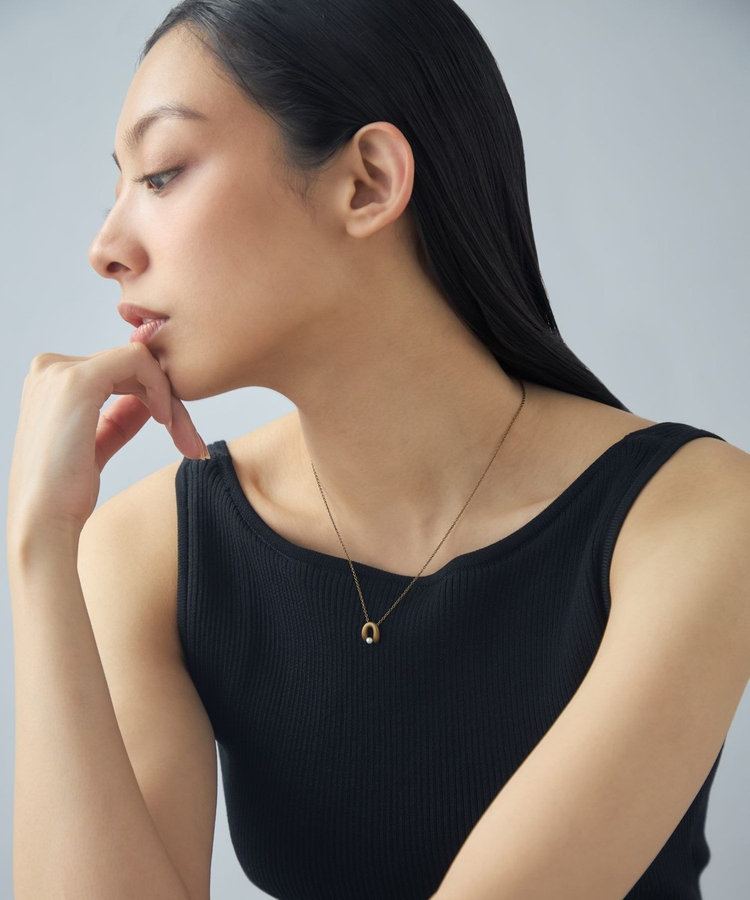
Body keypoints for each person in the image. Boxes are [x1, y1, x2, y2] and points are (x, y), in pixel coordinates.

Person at [7, 2, 749, 899]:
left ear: (367, 183)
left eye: (160, 175)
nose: (106, 249)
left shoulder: (693, 517)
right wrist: (39, 549)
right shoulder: (154, 551)